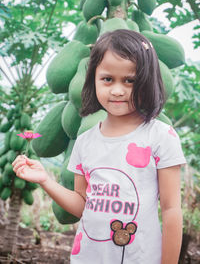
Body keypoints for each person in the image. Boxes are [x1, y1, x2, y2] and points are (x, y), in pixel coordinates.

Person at [12, 30, 186, 264]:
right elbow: (82, 205)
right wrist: (45, 180)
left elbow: (171, 210)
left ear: (147, 81)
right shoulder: (85, 141)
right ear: (92, 78)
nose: (117, 90)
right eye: (107, 79)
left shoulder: (161, 136)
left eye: (129, 80)